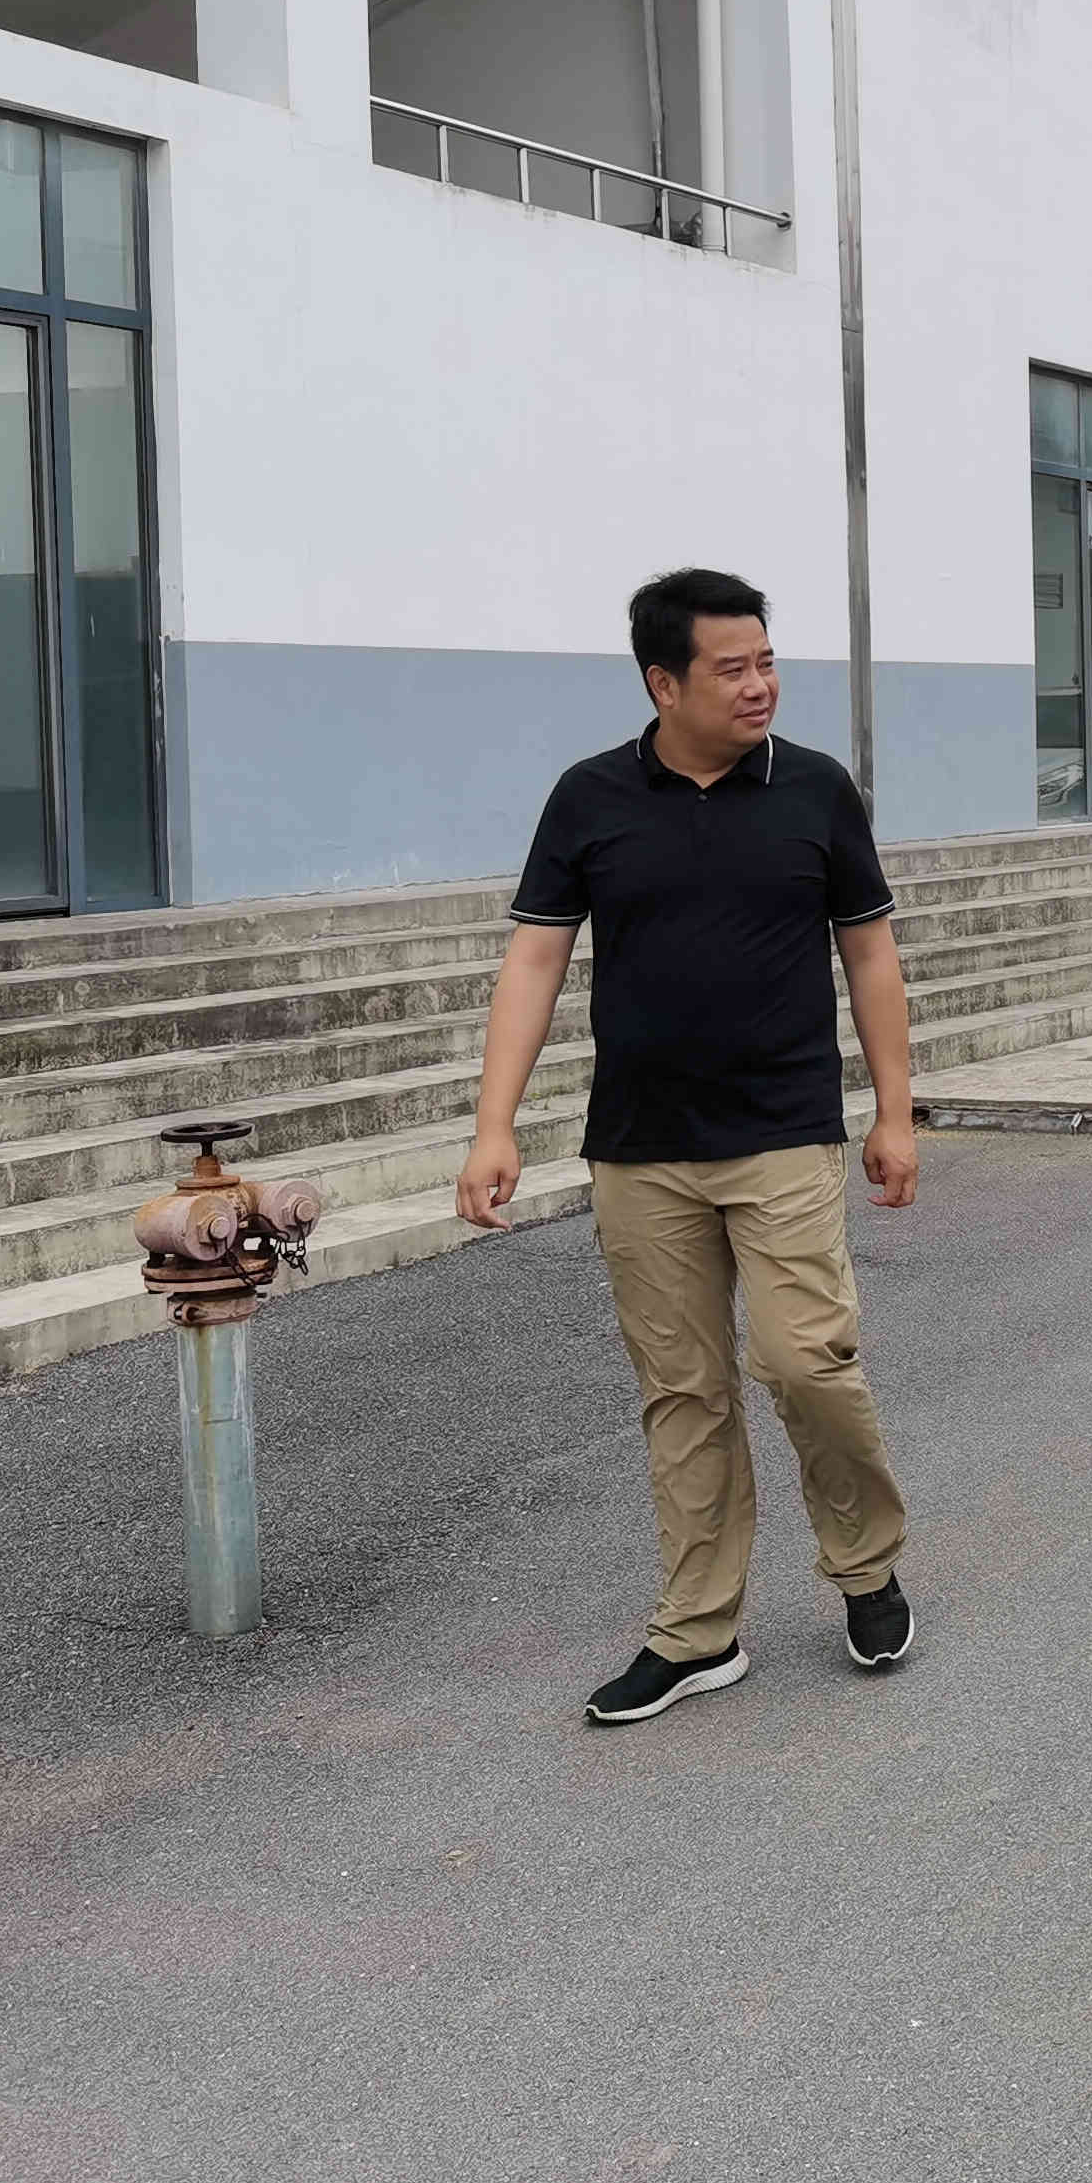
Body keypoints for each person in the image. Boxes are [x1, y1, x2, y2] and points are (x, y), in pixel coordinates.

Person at [457, 568, 920, 1726]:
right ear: (664, 684)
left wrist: (896, 1109)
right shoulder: (589, 797)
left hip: (783, 1133)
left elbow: (869, 953)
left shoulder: (815, 788)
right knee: (683, 1393)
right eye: (732, 669)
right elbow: (535, 959)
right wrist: (494, 1125)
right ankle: (698, 1630)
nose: (760, 685)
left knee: (806, 1362)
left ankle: (865, 1566)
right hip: (641, 1146)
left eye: (767, 662)